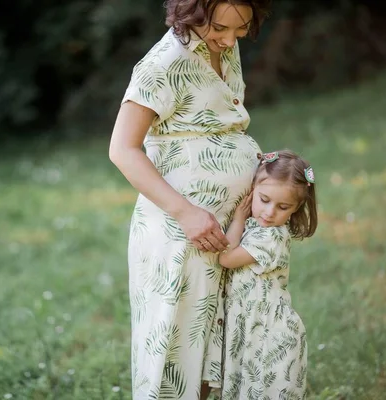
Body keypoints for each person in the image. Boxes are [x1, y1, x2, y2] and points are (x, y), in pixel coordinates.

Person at [109, 0, 271, 398]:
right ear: (192, 13)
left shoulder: (224, 48)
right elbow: (122, 149)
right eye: (219, 28)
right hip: (183, 235)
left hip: (225, 232)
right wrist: (186, 213)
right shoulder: (162, 64)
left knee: (218, 352)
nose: (230, 39)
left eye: (242, 28)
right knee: (178, 358)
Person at [213, 150, 318, 400]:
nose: (270, 212)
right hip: (253, 330)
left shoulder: (272, 237)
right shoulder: (258, 228)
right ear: (253, 190)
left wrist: (238, 218)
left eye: (283, 207)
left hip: (271, 336)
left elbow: (226, 258)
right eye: (264, 199)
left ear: (296, 208)